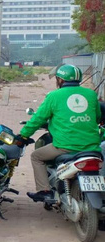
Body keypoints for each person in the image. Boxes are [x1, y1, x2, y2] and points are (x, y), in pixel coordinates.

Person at [19, 64, 102, 202]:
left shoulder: (54, 96)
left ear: (60, 80)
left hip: (65, 146)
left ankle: (44, 191)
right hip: (92, 147)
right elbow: (97, 117)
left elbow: (38, 119)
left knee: (36, 157)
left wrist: (23, 135)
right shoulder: (91, 94)